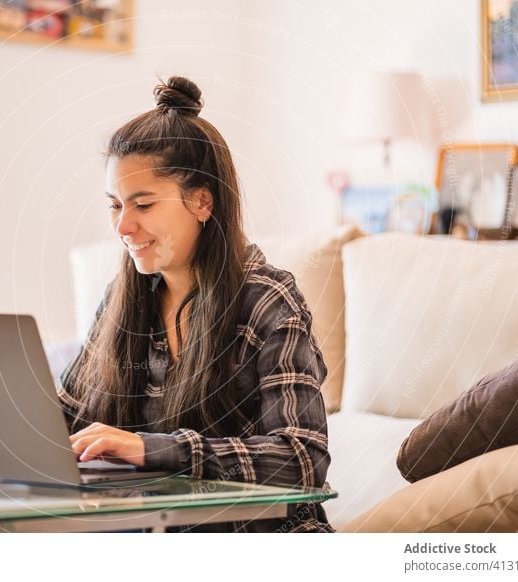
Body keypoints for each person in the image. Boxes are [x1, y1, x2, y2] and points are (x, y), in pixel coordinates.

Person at [58, 76, 332, 532]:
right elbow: (63, 420)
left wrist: (150, 448)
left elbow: (302, 459)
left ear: (202, 201)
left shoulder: (267, 299)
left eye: (143, 204)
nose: (123, 226)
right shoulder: (122, 302)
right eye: (115, 205)